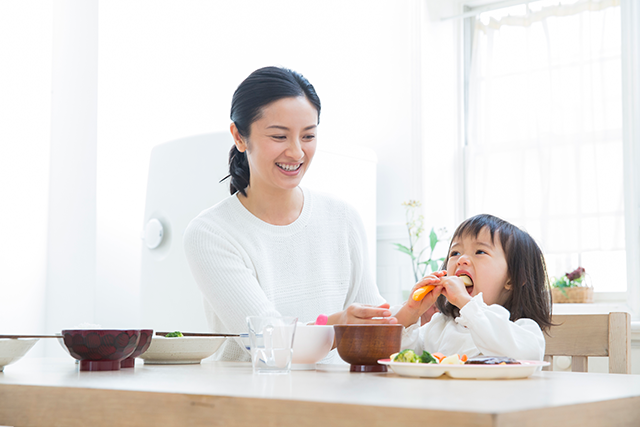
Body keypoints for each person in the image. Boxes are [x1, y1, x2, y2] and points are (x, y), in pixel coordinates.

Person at [183, 66, 395, 361]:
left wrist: (420, 311)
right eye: (279, 137)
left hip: (338, 398)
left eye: (308, 136)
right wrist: (338, 323)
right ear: (239, 137)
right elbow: (269, 343)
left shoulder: (343, 218)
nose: (296, 153)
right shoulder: (211, 233)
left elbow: (373, 321)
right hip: (253, 400)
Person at [394, 214, 552, 361]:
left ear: (511, 278)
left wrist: (466, 302)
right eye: (455, 252)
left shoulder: (524, 330)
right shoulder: (438, 327)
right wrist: (410, 312)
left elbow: (524, 356)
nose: (461, 259)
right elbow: (397, 357)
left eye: (480, 251)